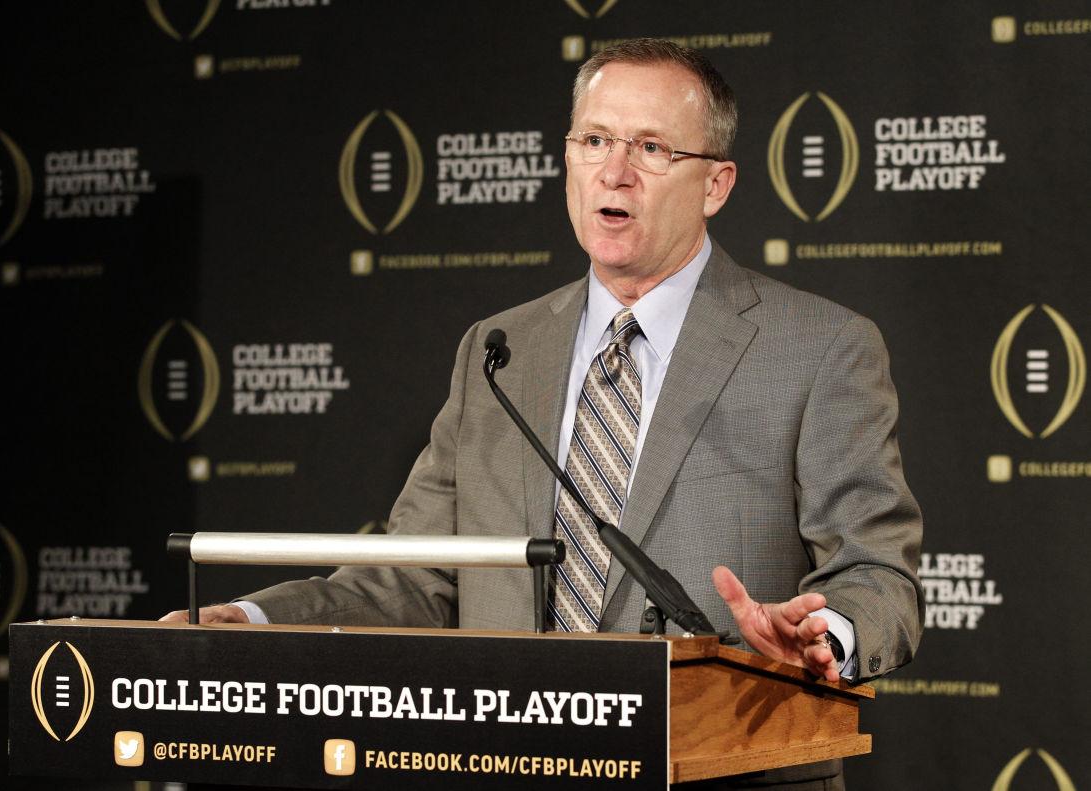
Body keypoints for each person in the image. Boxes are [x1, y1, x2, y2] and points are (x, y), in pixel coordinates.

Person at [163, 39, 923, 789]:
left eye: (652, 147)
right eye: (593, 139)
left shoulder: (820, 348)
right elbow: (410, 579)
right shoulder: (497, 352)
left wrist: (828, 631)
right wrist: (254, 624)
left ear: (715, 184)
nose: (613, 169)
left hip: (722, 768)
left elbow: (877, 569)